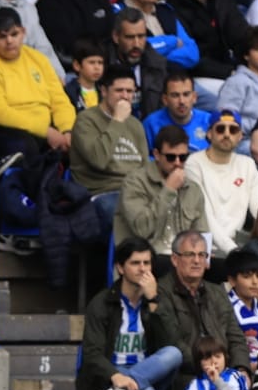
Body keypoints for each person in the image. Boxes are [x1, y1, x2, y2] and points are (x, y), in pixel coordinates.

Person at [76, 237, 183, 390]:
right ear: (120, 268)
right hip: (109, 378)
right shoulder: (102, 303)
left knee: (173, 355)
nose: (143, 269)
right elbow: (91, 354)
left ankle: (128, 387)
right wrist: (115, 376)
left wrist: (155, 301)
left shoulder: (156, 299)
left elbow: (172, 343)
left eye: (147, 263)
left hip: (146, 375)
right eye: (136, 263)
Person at [0, 6, 75, 164]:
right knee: (27, 146)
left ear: (23, 32)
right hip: (8, 129)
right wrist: (45, 131)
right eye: (2, 37)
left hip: (48, 128)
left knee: (82, 143)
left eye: (14, 34)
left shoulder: (38, 59)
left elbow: (60, 100)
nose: (9, 41)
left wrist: (67, 131)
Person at [157, 228, 251, 390]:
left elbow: (236, 337)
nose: (197, 260)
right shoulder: (161, 292)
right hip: (184, 376)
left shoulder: (217, 292)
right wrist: (209, 366)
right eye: (190, 254)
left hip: (222, 371)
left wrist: (241, 368)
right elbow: (171, 342)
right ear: (174, 259)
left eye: (202, 255)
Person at [69, 70, 146, 235]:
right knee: (124, 214)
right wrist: (117, 121)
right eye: (119, 90)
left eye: (130, 91)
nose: (125, 96)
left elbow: (144, 168)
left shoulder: (135, 125)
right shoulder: (86, 120)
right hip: (102, 193)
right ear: (104, 91)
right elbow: (99, 160)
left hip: (135, 192)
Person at [172, 0, 254, 102]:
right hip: (196, 78)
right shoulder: (177, 8)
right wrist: (230, 72)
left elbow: (243, 36)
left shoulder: (223, 0)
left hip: (230, 72)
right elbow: (191, 59)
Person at [113, 124, 208, 257]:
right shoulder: (135, 182)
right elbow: (142, 230)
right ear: (157, 155)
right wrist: (168, 190)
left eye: (183, 157)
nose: (177, 163)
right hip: (145, 259)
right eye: (171, 157)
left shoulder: (193, 189)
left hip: (183, 261)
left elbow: (202, 234)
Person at [186, 108, 258, 261]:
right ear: (209, 134)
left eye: (233, 130)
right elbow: (203, 213)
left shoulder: (247, 164)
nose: (227, 134)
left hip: (237, 245)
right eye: (220, 129)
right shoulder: (194, 163)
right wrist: (232, 249)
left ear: (240, 136)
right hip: (202, 245)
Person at [141, 72, 211, 153]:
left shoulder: (209, 122)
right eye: (175, 95)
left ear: (194, 97)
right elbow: (144, 159)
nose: (181, 101)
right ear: (165, 99)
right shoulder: (151, 124)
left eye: (186, 94)